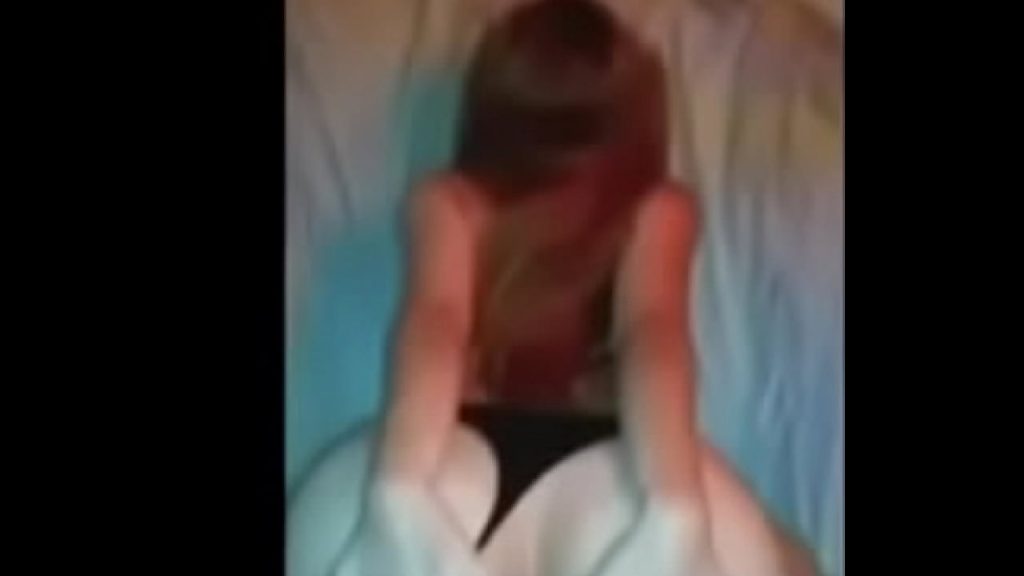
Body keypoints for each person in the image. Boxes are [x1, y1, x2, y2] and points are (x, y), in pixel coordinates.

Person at [289, 1, 817, 575]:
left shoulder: (452, 203)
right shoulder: (657, 211)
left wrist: (400, 487)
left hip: (450, 451)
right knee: (796, 560)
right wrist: (675, 504)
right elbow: (654, 340)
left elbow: (434, 325)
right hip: (619, 469)